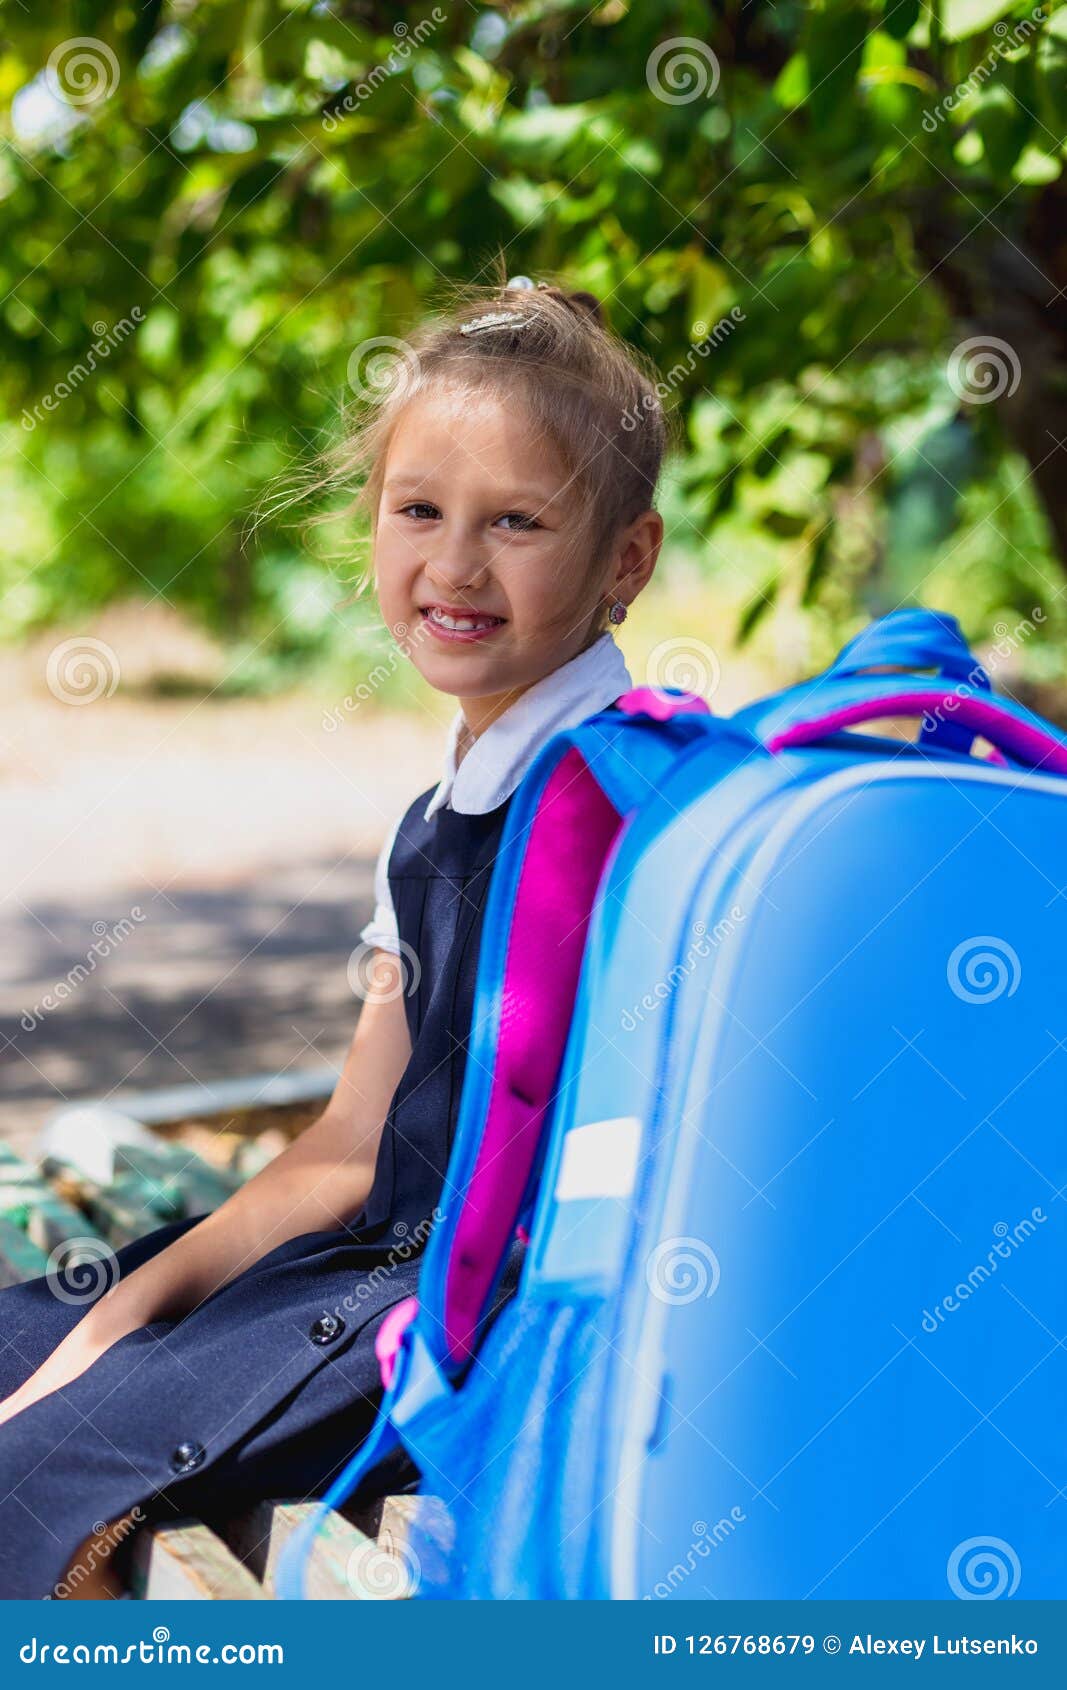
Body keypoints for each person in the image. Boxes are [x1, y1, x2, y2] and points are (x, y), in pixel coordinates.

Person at [0, 277, 669, 1599]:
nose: (455, 564)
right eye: (419, 510)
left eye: (517, 522)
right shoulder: (433, 817)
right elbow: (350, 1151)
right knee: (28, 1329)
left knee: (33, 1473)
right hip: (365, 1255)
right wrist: (132, 1305)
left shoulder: (627, 807)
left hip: (481, 1317)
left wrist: (118, 1358)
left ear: (626, 561)